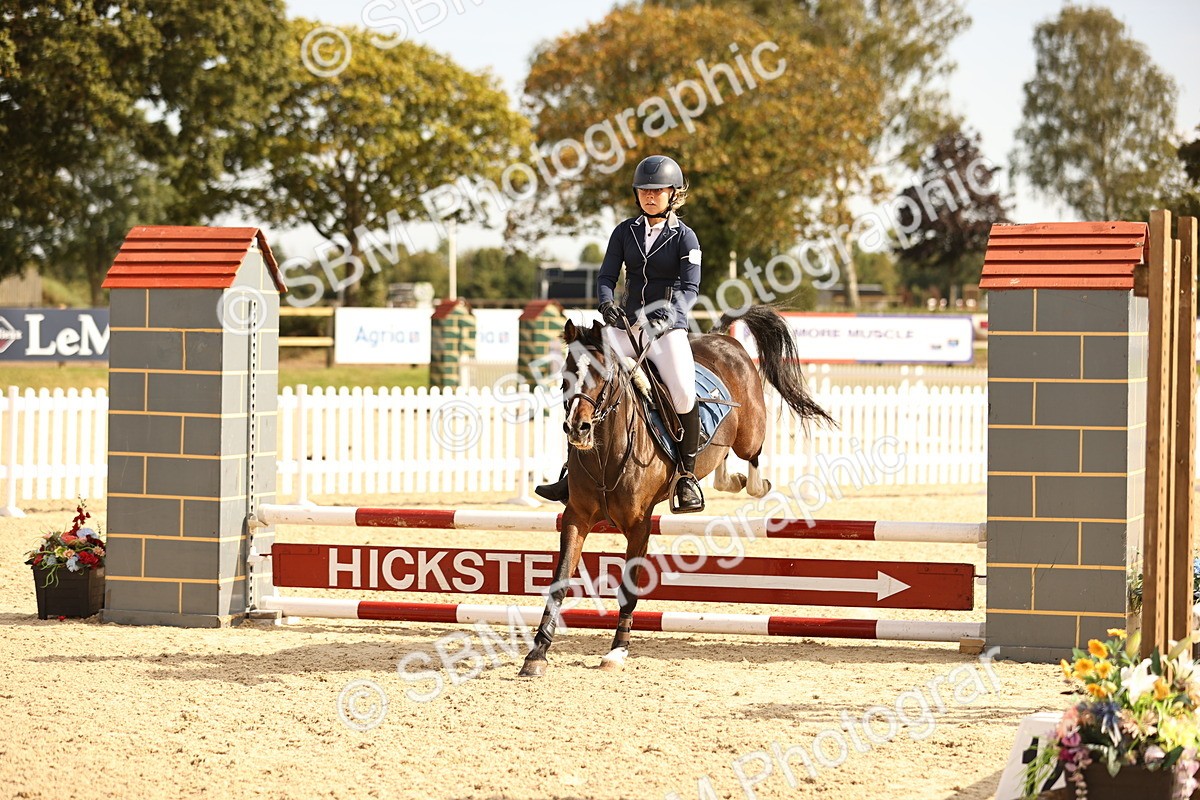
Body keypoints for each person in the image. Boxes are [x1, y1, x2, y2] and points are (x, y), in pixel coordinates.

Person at [536, 154, 705, 513]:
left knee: (683, 392)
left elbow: (690, 290)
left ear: (673, 194)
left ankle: (686, 478)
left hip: (665, 329)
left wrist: (668, 316)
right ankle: (571, 472)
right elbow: (606, 277)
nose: (649, 196)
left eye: (657, 191)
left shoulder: (685, 238)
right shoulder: (624, 232)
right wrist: (606, 303)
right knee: (581, 376)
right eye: (644, 190)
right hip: (624, 326)